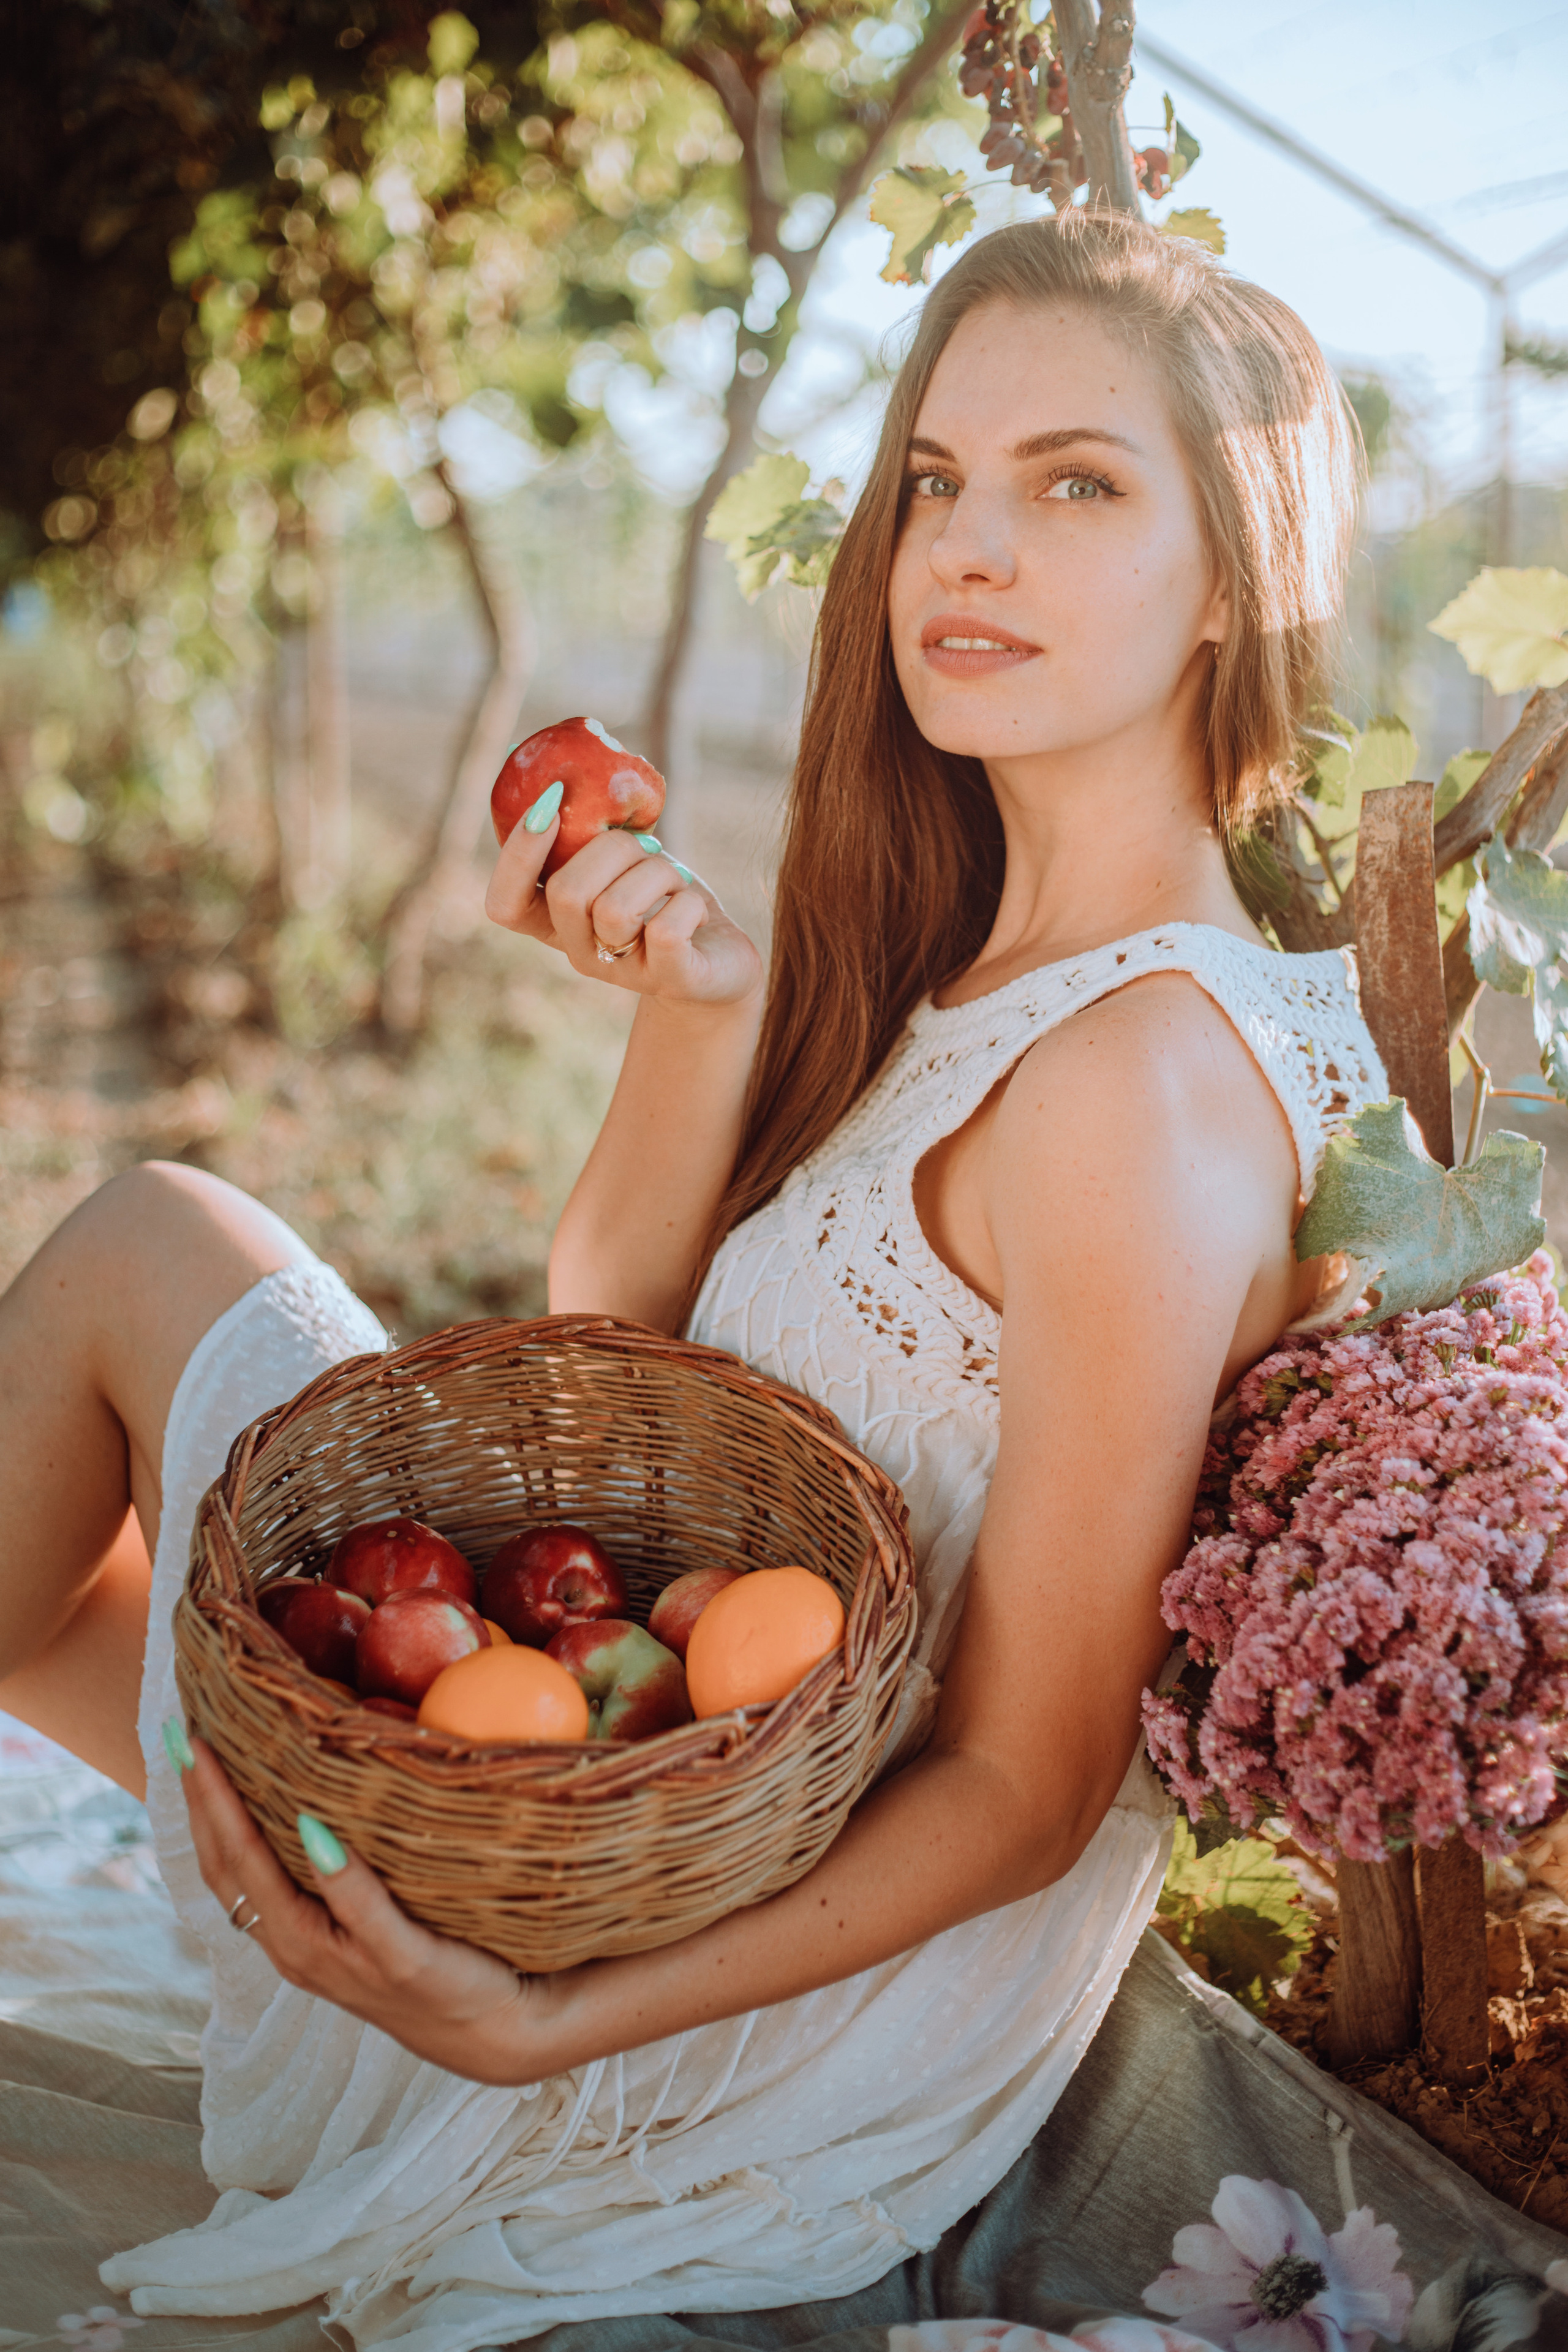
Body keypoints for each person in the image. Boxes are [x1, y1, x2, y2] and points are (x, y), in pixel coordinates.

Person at [1, 211, 1387, 2343]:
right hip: (637, 1796)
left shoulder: (1147, 1084)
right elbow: (626, 1369)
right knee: (150, 1248)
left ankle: (331, 1886)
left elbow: (1029, 1787)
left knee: (142, 1248)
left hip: (724, 1998)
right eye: (937, 479)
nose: (967, 548)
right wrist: (703, 1012)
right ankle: (297, 1835)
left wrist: (546, 2025)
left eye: (1076, 483)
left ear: (1240, 579)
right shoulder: (988, 975)